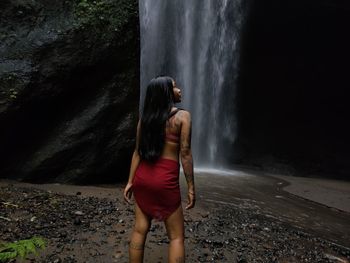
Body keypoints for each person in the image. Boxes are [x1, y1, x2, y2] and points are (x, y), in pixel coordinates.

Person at [123, 76, 195, 263]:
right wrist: (191, 187)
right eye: (174, 87)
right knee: (176, 237)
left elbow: (137, 152)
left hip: (143, 179)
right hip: (165, 181)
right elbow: (185, 153)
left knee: (139, 229)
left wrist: (130, 181)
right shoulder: (183, 117)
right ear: (166, 92)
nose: (179, 90)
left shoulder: (145, 119)